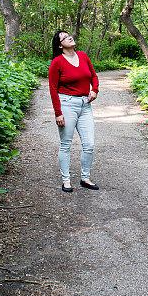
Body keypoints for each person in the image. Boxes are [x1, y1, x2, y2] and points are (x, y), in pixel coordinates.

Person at [48, 30, 99, 192]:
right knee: (66, 144)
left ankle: (85, 178)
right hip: (67, 105)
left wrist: (95, 90)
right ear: (60, 45)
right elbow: (53, 89)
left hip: (85, 105)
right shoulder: (57, 62)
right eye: (64, 37)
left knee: (89, 144)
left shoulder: (83, 56)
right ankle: (66, 180)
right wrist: (58, 113)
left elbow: (94, 77)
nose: (69, 37)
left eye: (69, 35)